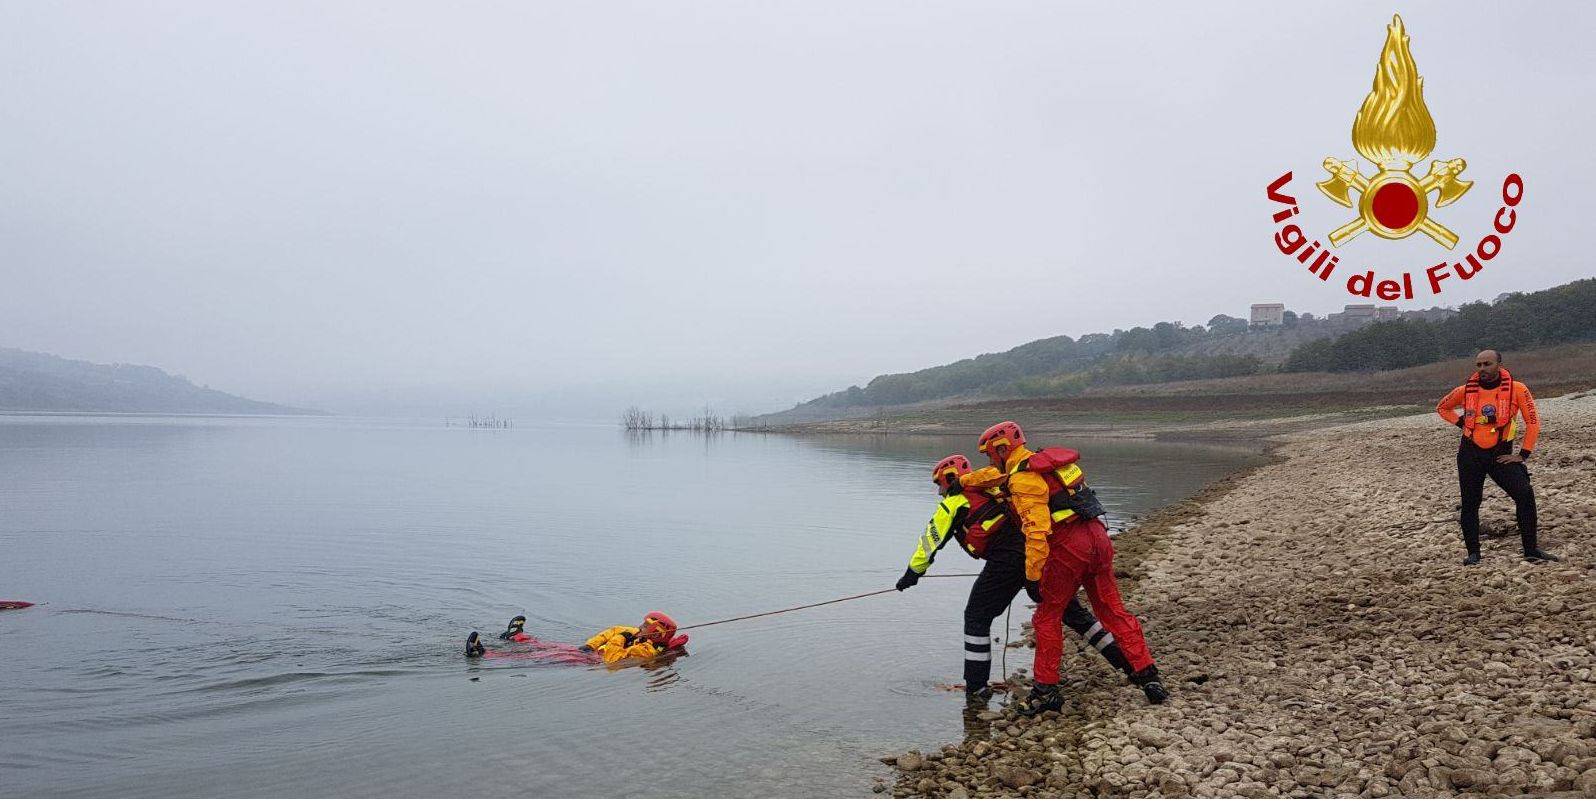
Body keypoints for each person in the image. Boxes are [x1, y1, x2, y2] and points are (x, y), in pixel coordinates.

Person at [895, 454, 1137, 704]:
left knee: (976, 617)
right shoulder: (996, 487)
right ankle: (1130, 666)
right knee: (1072, 613)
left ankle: (976, 689)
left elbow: (930, 541)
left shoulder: (953, 503)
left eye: (939, 484)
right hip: (1037, 556)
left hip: (1006, 561)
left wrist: (911, 575)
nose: (939, 492)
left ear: (949, 478)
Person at [962, 421, 1167, 716]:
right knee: (1112, 609)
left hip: (1069, 548)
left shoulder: (1023, 479)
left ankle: (1046, 691)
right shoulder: (1049, 464)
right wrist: (965, 480)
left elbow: (1036, 532)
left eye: (990, 455)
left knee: (1047, 616)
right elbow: (996, 476)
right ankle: (1148, 676)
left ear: (1002, 449)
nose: (990, 461)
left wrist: (1033, 575)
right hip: (1098, 538)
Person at [1436, 350, 1557, 565]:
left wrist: (1523, 454)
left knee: (1525, 494)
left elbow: (1533, 422)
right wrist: (1462, 423)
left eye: (1487, 364)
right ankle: (1473, 554)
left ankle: (1531, 550)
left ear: (1499, 365)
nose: (1482, 368)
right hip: (1470, 454)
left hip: (1501, 454)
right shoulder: (1464, 390)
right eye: (1479, 365)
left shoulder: (1518, 389)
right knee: (1470, 503)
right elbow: (1442, 408)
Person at [465, 611, 687, 664]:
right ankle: (517, 637)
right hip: (591, 652)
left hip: (593, 661)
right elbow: (611, 631)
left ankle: (486, 654)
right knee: (548, 645)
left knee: (545, 655)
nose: (640, 626)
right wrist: (590, 645)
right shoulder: (634, 633)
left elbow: (612, 658)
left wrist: (621, 639)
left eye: (646, 625)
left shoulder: (646, 650)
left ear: (657, 632)